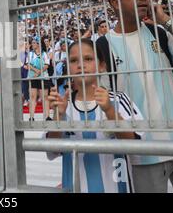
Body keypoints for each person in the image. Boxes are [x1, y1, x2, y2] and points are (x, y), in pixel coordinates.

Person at [96, 0, 173, 193]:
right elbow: (105, 101)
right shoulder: (104, 46)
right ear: (114, 2)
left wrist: (165, 20)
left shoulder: (158, 32)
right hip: (145, 151)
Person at [46, 39, 143, 193]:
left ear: (102, 65)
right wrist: (59, 115)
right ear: (68, 68)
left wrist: (110, 111)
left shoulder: (119, 99)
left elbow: (137, 144)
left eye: (88, 59)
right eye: (73, 60)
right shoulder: (62, 105)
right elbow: (51, 150)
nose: (81, 65)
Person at [27, 36, 52, 121]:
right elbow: (28, 64)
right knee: (33, 96)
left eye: (34, 43)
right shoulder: (30, 54)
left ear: (38, 44)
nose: (32, 44)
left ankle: (47, 116)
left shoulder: (44, 53)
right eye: (32, 43)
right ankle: (31, 116)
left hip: (43, 77)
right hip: (33, 77)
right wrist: (36, 71)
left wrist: (39, 72)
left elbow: (46, 65)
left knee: (44, 97)